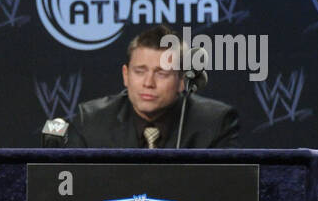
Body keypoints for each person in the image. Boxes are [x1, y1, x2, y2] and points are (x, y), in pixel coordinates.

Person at [63, 24, 239, 148]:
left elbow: (224, 194)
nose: (148, 83)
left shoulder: (215, 123)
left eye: (161, 73)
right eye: (140, 71)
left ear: (182, 80)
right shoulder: (91, 122)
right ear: (126, 75)